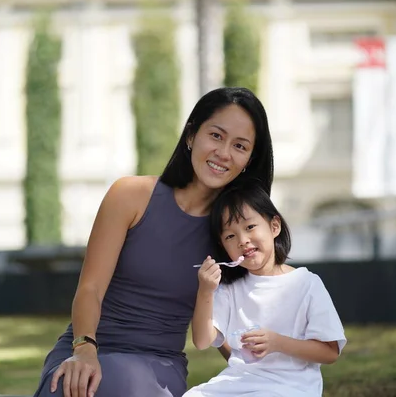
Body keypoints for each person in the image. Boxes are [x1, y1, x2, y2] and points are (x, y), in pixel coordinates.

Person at [33, 87, 275, 397]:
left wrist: (270, 378)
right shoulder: (130, 195)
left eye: (239, 146)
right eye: (216, 136)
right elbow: (90, 288)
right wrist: (83, 349)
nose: (224, 153)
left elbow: (226, 327)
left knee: (124, 385)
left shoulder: (235, 233)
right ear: (191, 135)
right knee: (78, 384)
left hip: (156, 368)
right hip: (86, 347)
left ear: (248, 160)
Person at [184, 182, 347, 397]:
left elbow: (329, 352)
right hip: (237, 384)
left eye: (250, 227)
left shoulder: (307, 283)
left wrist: (277, 342)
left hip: (291, 388)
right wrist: (205, 291)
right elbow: (203, 341)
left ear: (274, 226)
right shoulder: (228, 287)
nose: (242, 240)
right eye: (230, 236)